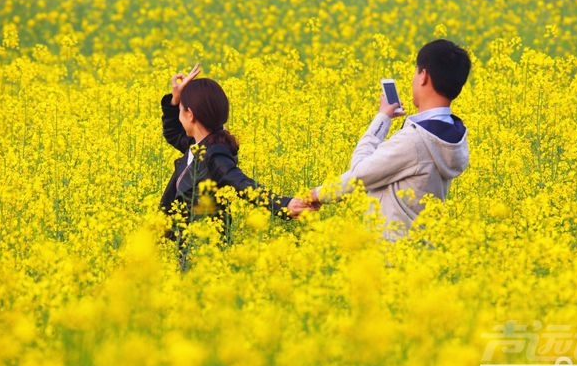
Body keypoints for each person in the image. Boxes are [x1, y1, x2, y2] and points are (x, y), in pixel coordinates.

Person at [309, 39, 471, 238]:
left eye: (415, 71)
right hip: (423, 252)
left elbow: (359, 174)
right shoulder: (450, 136)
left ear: (424, 76)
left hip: (393, 254)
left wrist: (382, 117)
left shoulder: (416, 140)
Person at [160, 64, 313, 235]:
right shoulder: (197, 147)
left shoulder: (215, 155)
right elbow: (172, 132)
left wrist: (284, 204)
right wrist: (175, 99)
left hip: (203, 249)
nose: (179, 116)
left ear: (190, 114)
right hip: (187, 245)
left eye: (180, 109)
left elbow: (243, 185)